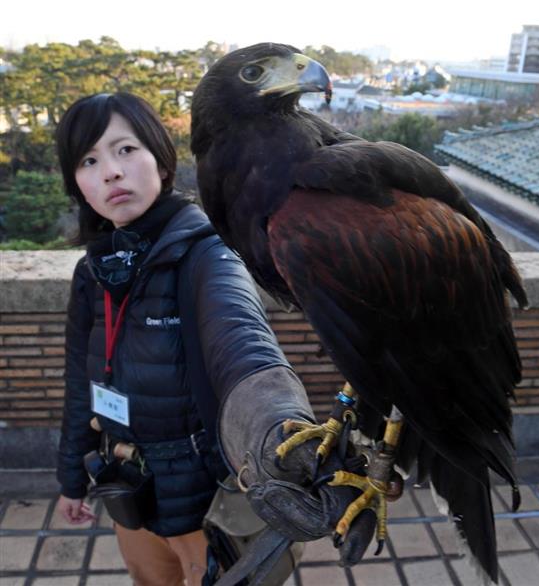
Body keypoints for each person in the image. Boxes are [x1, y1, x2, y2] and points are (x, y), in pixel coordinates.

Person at [55, 92, 370, 586]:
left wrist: (278, 430)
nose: (111, 172)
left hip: (210, 507)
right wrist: (72, 478)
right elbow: (80, 381)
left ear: (160, 160)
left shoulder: (208, 256)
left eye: (125, 150)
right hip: (130, 492)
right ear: (78, 184)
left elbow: (243, 340)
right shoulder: (93, 271)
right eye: (89, 160)